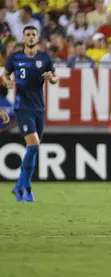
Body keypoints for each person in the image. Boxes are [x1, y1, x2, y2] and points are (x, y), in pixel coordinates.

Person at [2, 26, 58, 202]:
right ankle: (23, 186)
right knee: (33, 145)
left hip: (39, 108)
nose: (31, 37)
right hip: (22, 107)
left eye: (34, 35)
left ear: (38, 37)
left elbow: (55, 78)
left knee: (33, 148)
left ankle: (21, 187)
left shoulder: (44, 58)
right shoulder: (15, 57)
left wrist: (52, 78)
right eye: (28, 34)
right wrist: (8, 82)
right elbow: (5, 75)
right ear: (23, 37)